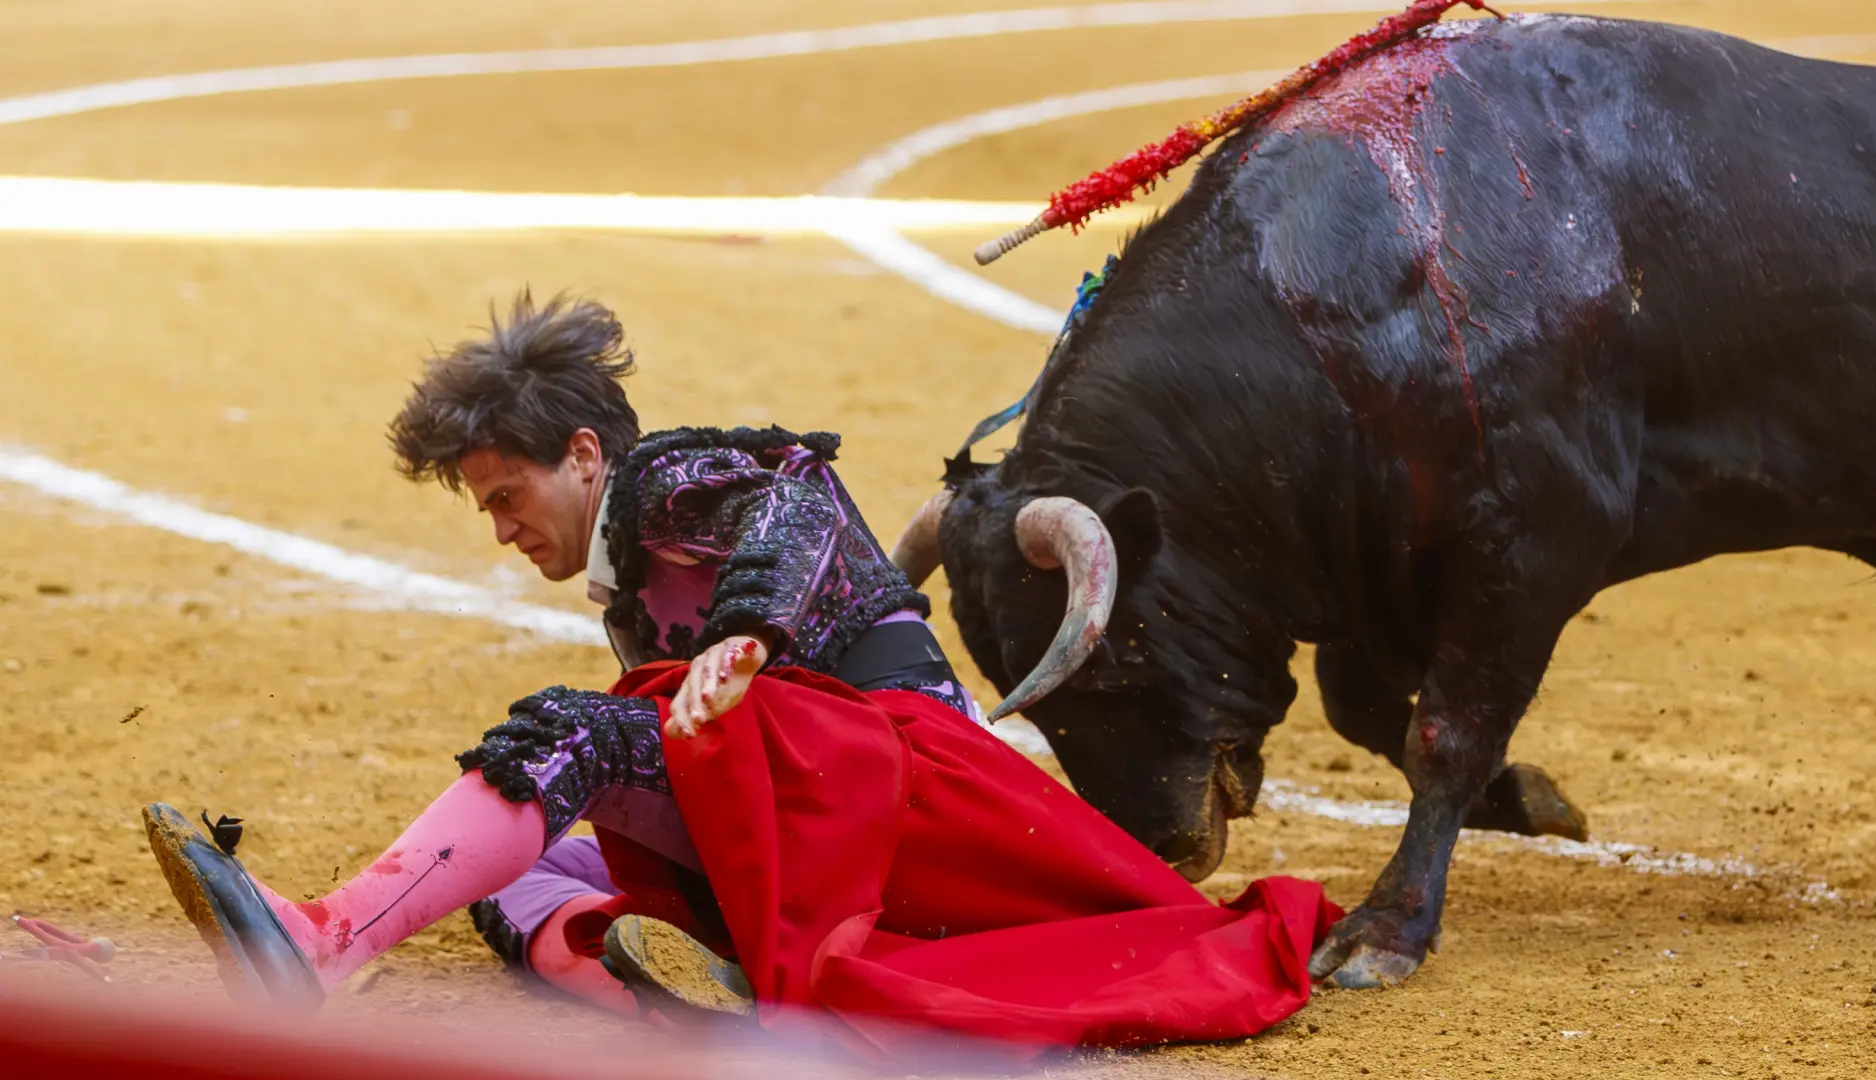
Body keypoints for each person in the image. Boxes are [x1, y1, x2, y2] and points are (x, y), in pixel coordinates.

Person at [142, 292, 1339, 1062]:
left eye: (507, 497)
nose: (501, 530)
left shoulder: (669, 480)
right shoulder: (629, 591)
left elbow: (795, 491)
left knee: (574, 740)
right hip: (815, 822)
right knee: (522, 854)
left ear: (583, 454)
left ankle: (325, 943)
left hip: (914, 795)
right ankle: (654, 996)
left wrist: (751, 629)